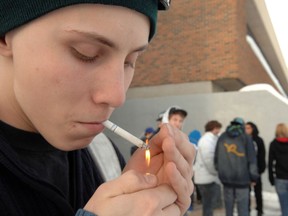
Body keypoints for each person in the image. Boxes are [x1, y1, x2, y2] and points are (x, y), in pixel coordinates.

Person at [0, 1, 196, 216]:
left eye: (130, 61)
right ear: (5, 35)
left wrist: (159, 201)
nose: (117, 96)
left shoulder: (103, 154)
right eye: (86, 53)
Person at [214, 117, 259, 216]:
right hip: (242, 180)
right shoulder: (246, 138)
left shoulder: (222, 137)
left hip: (226, 180)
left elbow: (216, 159)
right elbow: (252, 159)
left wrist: (220, 172)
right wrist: (254, 177)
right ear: (242, 126)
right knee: (243, 210)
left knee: (228, 210)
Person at [194, 120, 222, 216]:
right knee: (208, 205)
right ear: (214, 128)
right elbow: (208, 159)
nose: (219, 131)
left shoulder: (210, 139)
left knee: (208, 204)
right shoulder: (206, 140)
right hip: (206, 178)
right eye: (218, 129)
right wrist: (216, 172)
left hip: (207, 177)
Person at [245, 121, 266, 216]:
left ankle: (260, 210)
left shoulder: (259, 140)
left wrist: (260, 170)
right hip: (245, 172)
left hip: (256, 170)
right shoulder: (242, 139)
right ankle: (247, 210)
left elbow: (262, 155)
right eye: (245, 128)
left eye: (248, 128)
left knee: (258, 192)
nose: (246, 130)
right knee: (246, 193)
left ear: (253, 128)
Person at [268, 123, 288, 216]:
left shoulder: (273, 144)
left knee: (284, 207)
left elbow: (270, 162)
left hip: (280, 178)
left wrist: (271, 178)